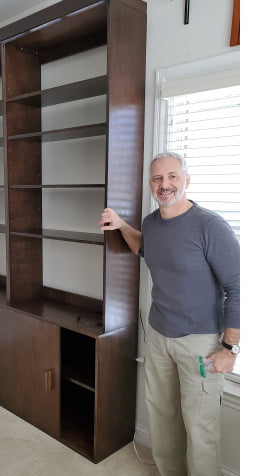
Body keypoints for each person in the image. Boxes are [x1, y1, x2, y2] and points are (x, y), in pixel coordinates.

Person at [99, 152, 240, 476]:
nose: (165, 185)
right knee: (162, 419)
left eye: (173, 176)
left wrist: (229, 349)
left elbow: (238, 288)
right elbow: (146, 246)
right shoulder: (152, 223)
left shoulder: (210, 226)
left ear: (186, 180)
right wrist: (122, 225)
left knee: (200, 427)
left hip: (201, 345)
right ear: (151, 184)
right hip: (160, 336)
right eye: (157, 178)